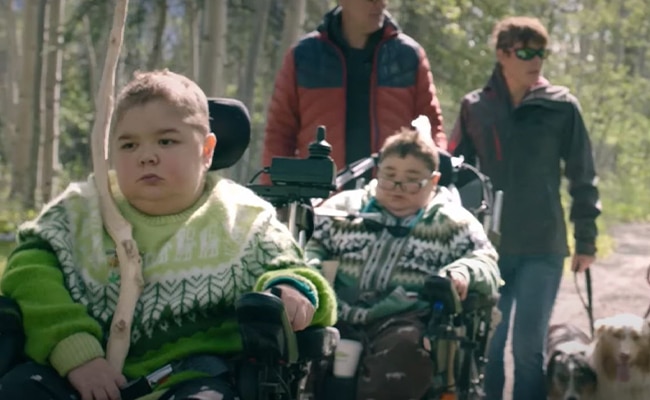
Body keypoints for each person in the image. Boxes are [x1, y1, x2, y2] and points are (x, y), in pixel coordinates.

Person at [0, 70, 337, 400]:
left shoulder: (242, 218)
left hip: (190, 378)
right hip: (76, 376)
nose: (147, 155)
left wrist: (291, 289)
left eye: (166, 140)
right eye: (129, 144)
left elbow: (294, 270)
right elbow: (28, 274)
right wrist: (75, 351)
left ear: (206, 151)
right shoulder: (78, 211)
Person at [449, 16, 601, 400]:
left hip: (543, 247)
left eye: (542, 53)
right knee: (491, 348)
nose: (537, 61)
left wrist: (586, 239)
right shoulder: (475, 107)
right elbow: (456, 174)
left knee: (529, 350)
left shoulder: (562, 107)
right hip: (489, 249)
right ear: (503, 55)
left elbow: (583, 176)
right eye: (527, 52)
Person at [304, 127, 501, 400]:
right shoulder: (343, 209)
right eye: (389, 177)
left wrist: (461, 272)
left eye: (411, 180)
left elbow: (484, 259)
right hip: (336, 312)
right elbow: (312, 247)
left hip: (404, 317)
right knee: (302, 352)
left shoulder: (451, 222)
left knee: (402, 357)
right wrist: (311, 271)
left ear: (433, 181)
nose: (397, 188)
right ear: (377, 173)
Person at [262, 0, 447, 186]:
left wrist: (434, 182)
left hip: (392, 199)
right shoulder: (303, 56)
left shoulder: (409, 56)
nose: (380, 4)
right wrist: (274, 197)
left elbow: (430, 128)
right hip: (319, 199)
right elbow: (280, 134)